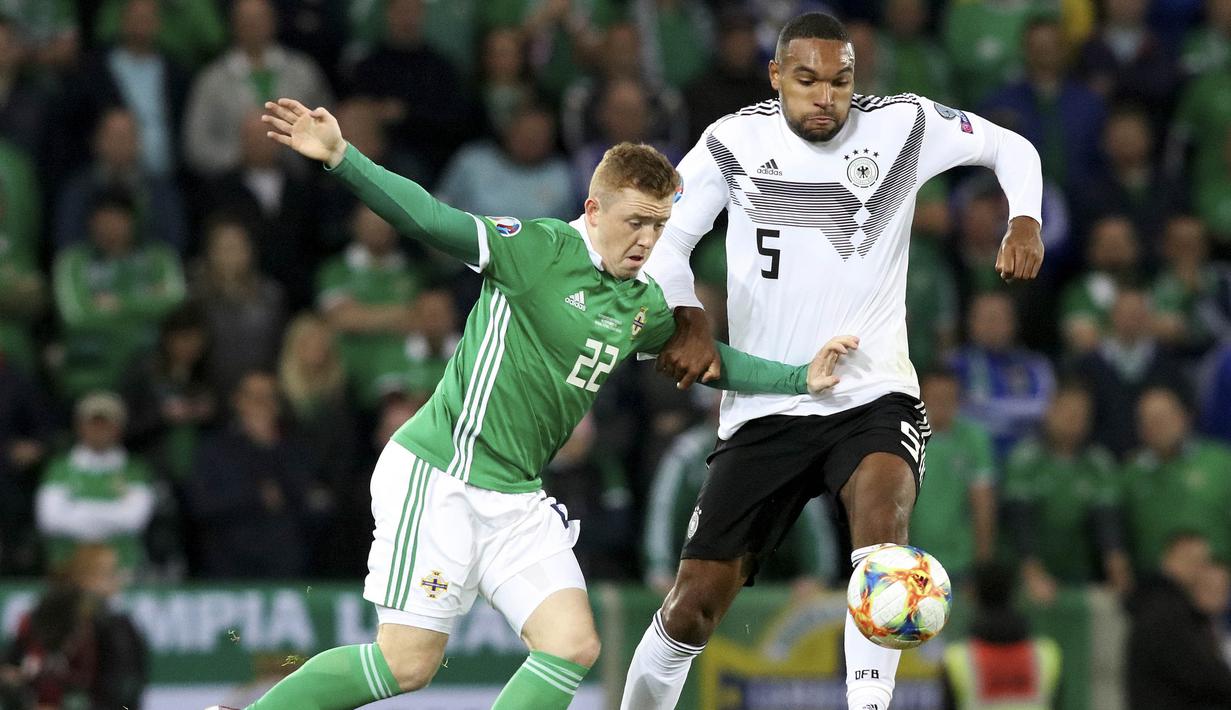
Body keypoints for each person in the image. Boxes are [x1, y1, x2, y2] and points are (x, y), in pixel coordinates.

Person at [241, 95, 859, 710]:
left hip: (516, 498)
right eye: (635, 222)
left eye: (659, 226)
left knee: (571, 646)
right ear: (593, 209)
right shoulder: (536, 250)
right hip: (441, 476)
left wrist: (800, 379)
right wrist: (342, 157)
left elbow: (707, 362)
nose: (647, 240)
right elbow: (431, 219)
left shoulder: (641, 302)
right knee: (406, 664)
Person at [623, 13, 1044, 710]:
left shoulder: (904, 125)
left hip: (871, 393)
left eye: (840, 82)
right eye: (807, 80)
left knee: (883, 546)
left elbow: (1011, 147)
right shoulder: (732, 142)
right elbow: (665, 238)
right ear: (775, 76)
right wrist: (689, 317)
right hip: (766, 404)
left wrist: (1023, 218)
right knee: (691, 607)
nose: (825, 97)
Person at [1126, 532, 1231, 709]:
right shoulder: (1166, 611)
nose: (1201, 570)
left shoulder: (1165, 605)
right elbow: (1202, 674)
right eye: (1197, 561)